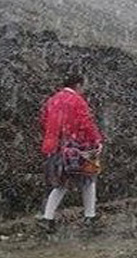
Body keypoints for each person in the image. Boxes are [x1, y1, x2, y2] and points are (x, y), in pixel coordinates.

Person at [37, 71, 104, 234]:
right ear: (78, 85)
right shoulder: (77, 101)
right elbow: (86, 122)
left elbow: (42, 120)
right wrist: (97, 140)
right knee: (89, 179)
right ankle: (90, 216)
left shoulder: (52, 100)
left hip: (54, 147)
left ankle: (48, 218)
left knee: (60, 184)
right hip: (76, 148)